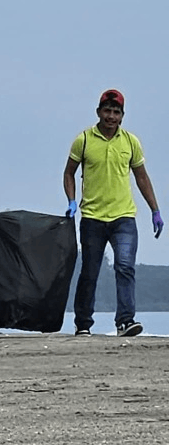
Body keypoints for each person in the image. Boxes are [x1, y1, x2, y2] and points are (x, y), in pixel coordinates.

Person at [63, 89, 162, 338]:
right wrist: (72, 201)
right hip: (92, 217)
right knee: (90, 271)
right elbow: (69, 172)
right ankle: (83, 323)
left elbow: (141, 177)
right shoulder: (84, 140)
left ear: (122, 116)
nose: (111, 116)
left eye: (116, 112)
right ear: (98, 112)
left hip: (123, 217)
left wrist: (155, 209)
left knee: (125, 267)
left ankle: (125, 321)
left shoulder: (130, 142)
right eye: (107, 111)